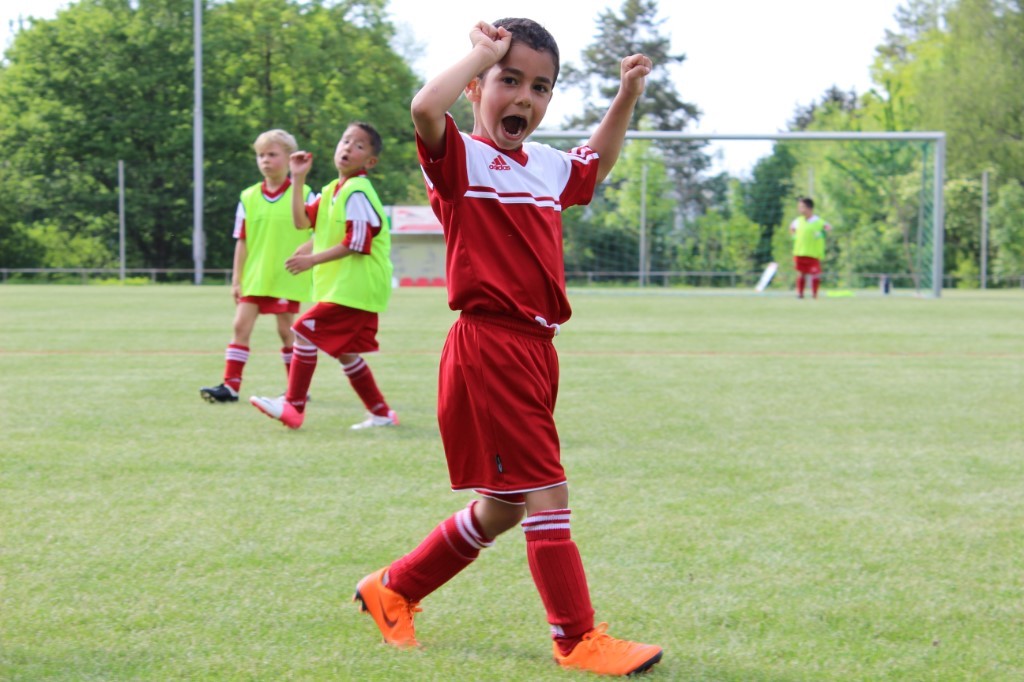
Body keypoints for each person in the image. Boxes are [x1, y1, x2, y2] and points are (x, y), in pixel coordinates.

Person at [352, 18, 663, 677]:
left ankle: (395, 588)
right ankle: (576, 639)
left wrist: (626, 95)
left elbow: (597, 162)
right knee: (548, 490)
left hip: (537, 348)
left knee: (504, 505)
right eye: (509, 80)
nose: (524, 97)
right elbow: (423, 108)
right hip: (490, 343)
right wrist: (479, 54)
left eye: (540, 87)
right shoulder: (460, 158)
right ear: (476, 88)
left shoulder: (545, 166)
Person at [249, 122, 397, 431]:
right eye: (345, 141)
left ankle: (294, 406)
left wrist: (311, 260)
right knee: (346, 354)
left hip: (356, 288)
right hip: (345, 289)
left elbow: (356, 242)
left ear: (370, 161)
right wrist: (298, 178)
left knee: (303, 331)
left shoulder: (357, 191)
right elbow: (303, 222)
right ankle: (382, 413)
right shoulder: (332, 190)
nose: (348, 147)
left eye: (359, 146)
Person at [200, 129, 313, 403]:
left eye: (272, 154)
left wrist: (307, 252)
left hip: (286, 276)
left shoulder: (305, 194)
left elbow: (321, 232)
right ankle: (230, 387)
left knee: (286, 331)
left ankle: (296, 389)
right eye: (261, 155)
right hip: (255, 277)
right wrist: (236, 279)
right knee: (240, 326)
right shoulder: (249, 196)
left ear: (289, 157)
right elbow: (242, 241)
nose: (265, 160)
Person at [789, 196, 832, 299]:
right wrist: (794, 236)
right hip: (800, 252)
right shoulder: (798, 221)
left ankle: (814, 294)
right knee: (801, 273)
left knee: (815, 274)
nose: (800, 209)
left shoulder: (818, 221)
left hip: (813, 253)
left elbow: (828, 228)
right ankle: (800, 294)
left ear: (809, 208)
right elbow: (791, 228)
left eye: (802, 207)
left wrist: (822, 234)